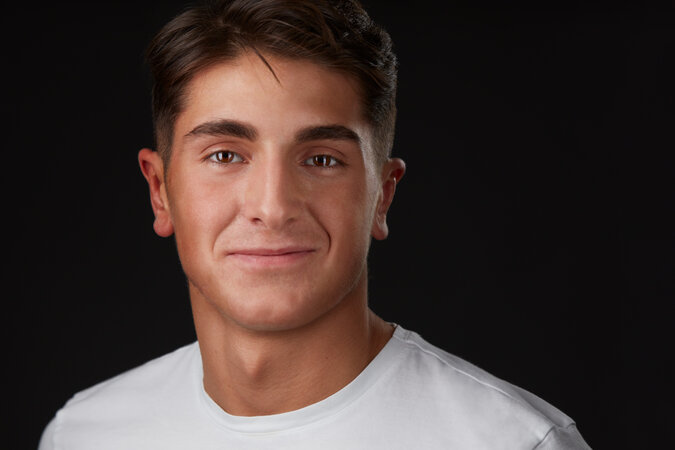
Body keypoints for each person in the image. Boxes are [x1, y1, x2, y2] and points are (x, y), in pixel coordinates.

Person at [39, 1, 591, 448]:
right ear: (160, 191)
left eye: (322, 159)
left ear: (382, 195)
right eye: (225, 155)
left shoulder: (513, 442)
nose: (272, 206)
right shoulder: (83, 435)